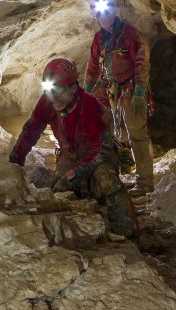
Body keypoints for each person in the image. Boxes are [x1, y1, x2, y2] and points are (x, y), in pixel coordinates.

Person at [8, 57, 138, 238]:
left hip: (97, 158)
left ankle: (127, 231)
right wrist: (14, 161)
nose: (53, 98)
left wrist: (74, 174)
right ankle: (71, 230)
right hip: (69, 156)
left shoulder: (90, 105)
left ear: (73, 88)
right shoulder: (47, 102)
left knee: (108, 182)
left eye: (58, 92)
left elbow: (102, 151)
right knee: (59, 191)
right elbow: (30, 131)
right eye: (49, 92)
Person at [83, 0, 155, 195]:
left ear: (114, 11)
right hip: (109, 90)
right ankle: (113, 177)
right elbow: (92, 67)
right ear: (96, 17)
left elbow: (142, 63)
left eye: (106, 12)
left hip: (131, 88)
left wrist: (139, 92)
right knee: (105, 132)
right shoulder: (99, 38)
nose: (104, 18)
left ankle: (145, 183)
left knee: (137, 134)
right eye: (99, 14)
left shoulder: (129, 33)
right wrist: (85, 93)